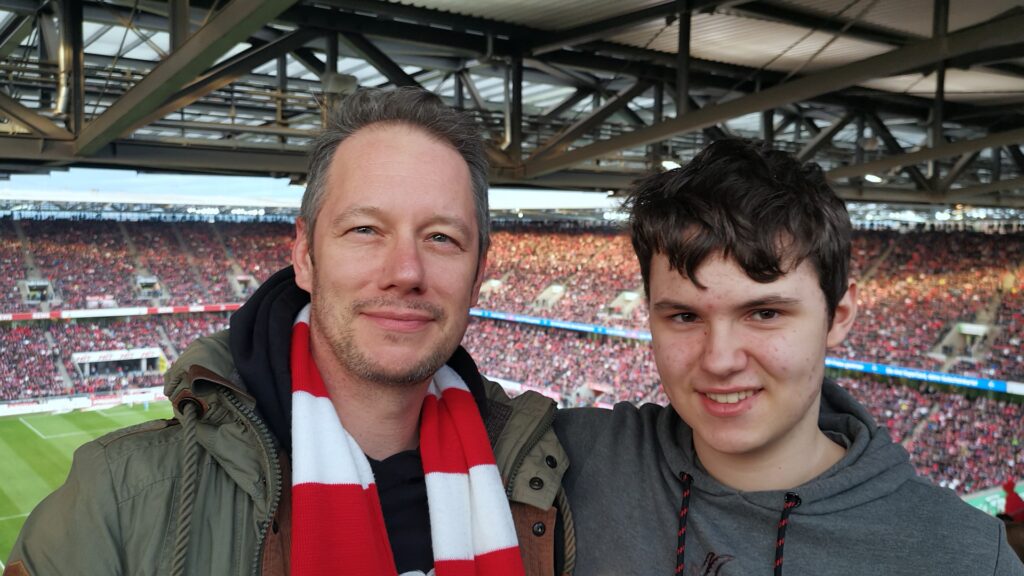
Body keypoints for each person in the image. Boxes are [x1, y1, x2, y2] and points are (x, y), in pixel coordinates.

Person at [6, 88, 572, 576]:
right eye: (365, 228)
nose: (405, 272)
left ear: (478, 277)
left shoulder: (541, 480)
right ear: (303, 255)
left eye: (442, 238)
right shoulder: (122, 498)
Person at [554, 139, 1024, 575]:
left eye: (763, 312)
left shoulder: (967, 556)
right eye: (683, 316)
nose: (719, 360)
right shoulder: (566, 458)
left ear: (838, 315)